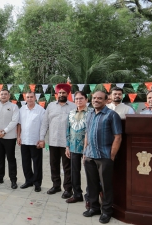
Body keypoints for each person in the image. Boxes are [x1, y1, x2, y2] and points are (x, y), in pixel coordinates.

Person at [83, 91, 122, 224]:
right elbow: (87, 134)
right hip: (89, 156)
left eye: (100, 98)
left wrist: (111, 155)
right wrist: (84, 152)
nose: (96, 100)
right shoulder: (89, 114)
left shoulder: (112, 115)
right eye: (94, 98)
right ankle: (94, 207)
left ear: (106, 101)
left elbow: (118, 136)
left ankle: (106, 211)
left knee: (106, 186)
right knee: (92, 184)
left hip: (104, 157)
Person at [38, 83, 76, 198]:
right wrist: (41, 138)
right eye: (59, 93)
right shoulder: (50, 106)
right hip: (53, 141)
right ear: (57, 94)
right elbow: (45, 123)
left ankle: (68, 189)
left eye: (64, 93)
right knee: (53, 165)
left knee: (67, 167)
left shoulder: (73, 106)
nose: (61, 94)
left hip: (67, 143)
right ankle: (56, 185)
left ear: (68, 94)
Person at [65, 91, 92, 204]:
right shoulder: (71, 113)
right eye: (76, 99)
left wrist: (88, 148)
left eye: (81, 98)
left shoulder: (91, 113)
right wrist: (67, 146)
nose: (79, 101)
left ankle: (90, 196)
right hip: (73, 147)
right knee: (74, 172)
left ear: (86, 100)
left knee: (90, 173)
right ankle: (77, 194)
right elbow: (67, 130)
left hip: (88, 148)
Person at [0, 89, 19, 189]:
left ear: (9, 96)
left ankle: (13, 180)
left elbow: (14, 121)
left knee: (11, 159)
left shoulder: (13, 107)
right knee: (0, 159)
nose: (3, 96)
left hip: (9, 137)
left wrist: (4, 131)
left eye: (6, 94)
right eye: (2, 94)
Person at [17, 91, 45, 192]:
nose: (29, 99)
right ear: (25, 98)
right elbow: (19, 124)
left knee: (37, 163)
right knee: (25, 162)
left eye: (31, 97)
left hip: (35, 140)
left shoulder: (41, 110)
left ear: (35, 98)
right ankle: (28, 180)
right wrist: (18, 136)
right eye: (27, 97)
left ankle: (37, 183)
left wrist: (41, 139)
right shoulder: (22, 109)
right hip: (24, 140)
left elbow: (43, 126)